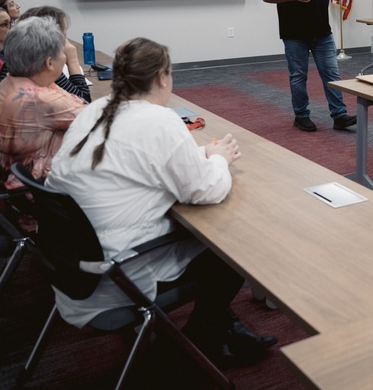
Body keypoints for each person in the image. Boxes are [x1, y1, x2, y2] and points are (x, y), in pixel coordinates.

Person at [48, 37, 276, 366]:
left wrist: (204, 155)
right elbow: (205, 190)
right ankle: (202, 340)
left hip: (76, 266)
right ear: (161, 78)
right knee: (228, 250)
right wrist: (220, 160)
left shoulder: (95, 110)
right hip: (117, 274)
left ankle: (225, 328)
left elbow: (141, 162)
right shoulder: (160, 120)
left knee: (199, 231)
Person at [261, 0, 373, 132]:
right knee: (298, 77)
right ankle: (301, 116)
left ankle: (339, 116)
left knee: (332, 75)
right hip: (294, 35)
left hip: (322, 33)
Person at [0, 17, 87, 192]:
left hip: (9, 189)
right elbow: (103, 122)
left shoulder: (12, 81)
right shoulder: (41, 100)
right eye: (63, 53)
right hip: (40, 201)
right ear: (49, 63)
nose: (65, 57)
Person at [0, 5, 91, 102]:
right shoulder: (40, 67)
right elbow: (84, 101)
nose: (65, 30)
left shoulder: (17, 60)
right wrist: (72, 60)